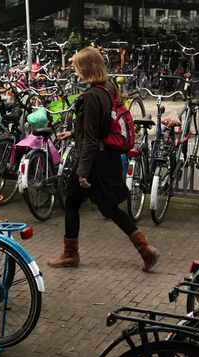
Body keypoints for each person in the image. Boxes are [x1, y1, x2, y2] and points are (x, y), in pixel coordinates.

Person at [47, 47, 160, 271]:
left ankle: (71, 254)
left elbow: (90, 139)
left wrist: (81, 173)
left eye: (77, 66)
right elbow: (100, 127)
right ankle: (145, 249)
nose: (75, 70)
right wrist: (73, 132)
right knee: (108, 208)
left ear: (86, 68)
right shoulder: (109, 88)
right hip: (106, 157)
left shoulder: (91, 96)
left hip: (93, 162)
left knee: (73, 202)